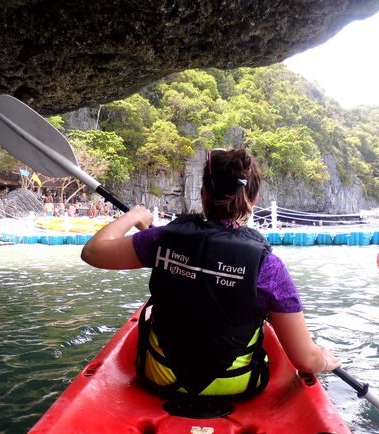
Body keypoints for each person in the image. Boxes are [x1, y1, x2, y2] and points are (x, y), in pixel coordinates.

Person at [81, 148, 340, 399]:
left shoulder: (161, 240)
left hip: (160, 377)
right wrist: (326, 358)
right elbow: (306, 359)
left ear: (203, 193)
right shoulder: (269, 266)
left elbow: (93, 252)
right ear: (255, 198)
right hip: (238, 385)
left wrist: (133, 215)